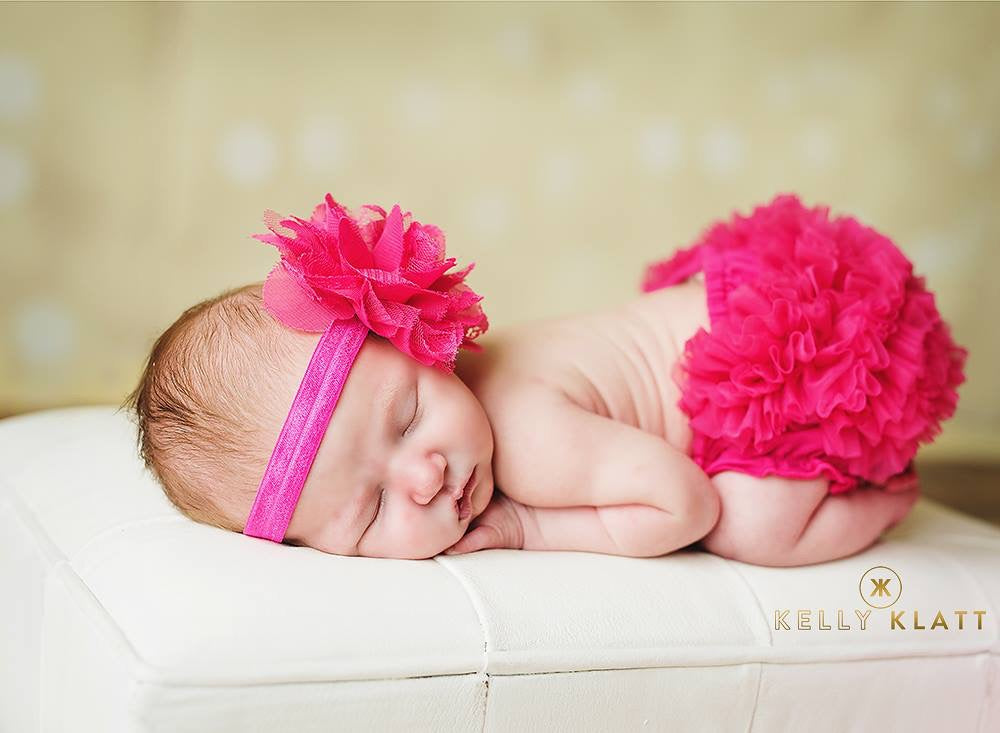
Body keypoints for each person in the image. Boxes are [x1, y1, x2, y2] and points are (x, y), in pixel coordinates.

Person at [125, 193, 965, 567]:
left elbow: (684, 504)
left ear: (420, 344)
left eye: (411, 416)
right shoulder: (461, 413)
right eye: (371, 510)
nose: (423, 477)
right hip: (748, 300)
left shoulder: (525, 441)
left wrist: (530, 528)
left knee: (750, 524)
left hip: (806, 352)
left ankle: (883, 492)